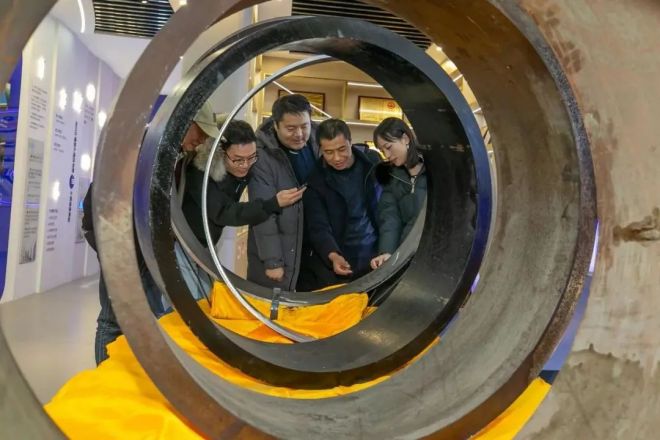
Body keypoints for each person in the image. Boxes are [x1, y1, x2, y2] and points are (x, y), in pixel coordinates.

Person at [180, 118, 305, 247]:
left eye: (251, 157)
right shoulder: (200, 173)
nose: (245, 165)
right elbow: (225, 212)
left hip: (207, 242)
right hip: (185, 242)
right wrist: (273, 204)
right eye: (238, 159)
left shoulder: (247, 166)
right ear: (221, 152)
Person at [82, 182, 166, 365]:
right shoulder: (108, 181)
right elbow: (88, 224)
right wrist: (109, 252)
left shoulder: (154, 180)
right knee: (111, 320)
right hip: (118, 262)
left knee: (152, 316)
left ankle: (139, 371)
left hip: (148, 260)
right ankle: (105, 372)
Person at [247, 94, 319, 290]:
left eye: (304, 126)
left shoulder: (318, 143)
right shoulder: (262, 156)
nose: (299, 134)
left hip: (312, 250)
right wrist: (272, 261)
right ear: (276, 125)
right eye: (291, 128)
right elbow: (262, 212)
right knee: (272, 305)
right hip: (280, 253)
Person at [301, 119, 381, 290]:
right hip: (342, 258)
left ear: (350, 142)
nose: (337, 158)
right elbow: (318, 226)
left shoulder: (372, 163)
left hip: (375, 255)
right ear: (320, 149)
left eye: (342, 149)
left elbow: (388, 209)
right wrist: (333, 255)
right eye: (329, 152)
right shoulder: (315, 180)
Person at [370, 117, 427, 270]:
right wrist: (386, 252)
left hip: (435, 253)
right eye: (382, 151)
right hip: (407, 255)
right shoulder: (391, 178)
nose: (387, 155)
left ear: (405, 139)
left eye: (388, 147)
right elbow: (390, 217)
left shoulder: (436, 171)